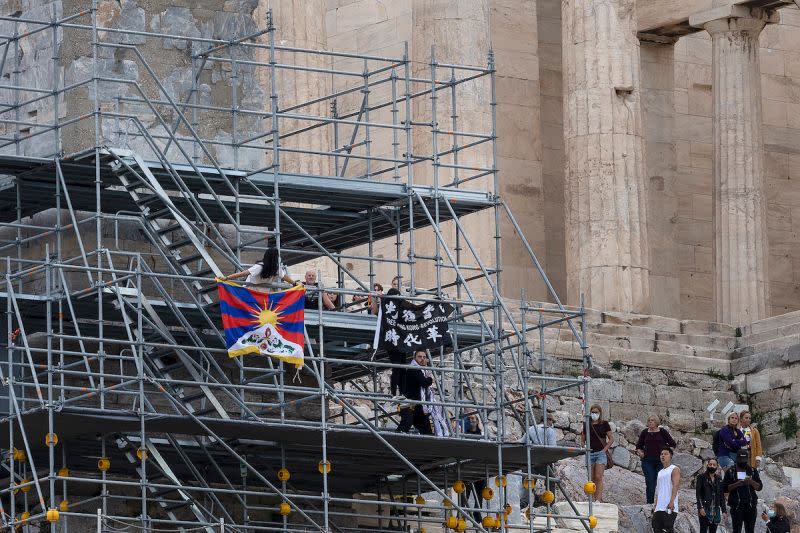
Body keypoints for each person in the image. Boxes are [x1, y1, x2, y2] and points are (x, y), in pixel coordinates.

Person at [636, 414, 677, 504]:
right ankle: (650, 503)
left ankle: (661, 503)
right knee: (650, 482)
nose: (650, 422)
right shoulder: (645, 432)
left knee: (661, 482)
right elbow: (638, 446)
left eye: (652, 420)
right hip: (647, 461)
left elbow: (672, 444)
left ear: (656, 422)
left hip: (660, 462)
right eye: (649, 420)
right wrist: (641, 453)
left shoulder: (662, 432)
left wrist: (667, 454)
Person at [723, 449, 762, 533]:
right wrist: (737, 484)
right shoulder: (730, 471)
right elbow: (724, 488)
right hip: (736, 507)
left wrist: (751, 482)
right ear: (737, 459)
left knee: (750, 530)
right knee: (736, 530)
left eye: (744, 460)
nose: (743, 462)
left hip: (751, 507)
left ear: (747, 459)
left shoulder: (753, 470)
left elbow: (759, 487)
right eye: (741, 460)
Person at [580, 404, 613, 503]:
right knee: (591, 477)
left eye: (596, 412)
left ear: (600, 413)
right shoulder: (586, 424)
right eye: (592, 412)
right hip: (590, 453)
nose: (594, 414)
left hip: (600, 453)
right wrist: (584, 446)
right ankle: (593, 498)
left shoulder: (604, 424)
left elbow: (611, 439)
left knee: (598, 476)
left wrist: (604, 449)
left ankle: (598, 499)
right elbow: (582, 439)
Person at [396, 350, 433, 435]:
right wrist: (430, 379)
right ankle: (394, 441)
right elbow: (424, 383)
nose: (422, 359)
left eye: (424, 357)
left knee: (426, 428)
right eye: (419, 357)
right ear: (414, 358)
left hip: (418, 405)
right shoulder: (414, 369)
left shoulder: (421, 370)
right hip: (409, 403)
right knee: (406, 424)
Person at [220, 248, 295, 288]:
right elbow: (284, 277)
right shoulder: (276, 268)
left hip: (251, 291)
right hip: (262, 293)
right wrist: (295, 283)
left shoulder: (259, 266)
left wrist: (227, 278)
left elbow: (243, 273)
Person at [462, 414, 485, 522]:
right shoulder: (464, 433)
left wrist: (481, 428)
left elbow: (485, 439)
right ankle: (462, 513)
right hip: (468, 466)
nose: (472, 421)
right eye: (470, 418)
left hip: (480, 466)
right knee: (466, 491)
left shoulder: (481, 433)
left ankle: (477, 513)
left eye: (474, 418)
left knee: (480, 492)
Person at [652, 447, 681, 533]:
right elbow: (658, 490)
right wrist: (655, 505)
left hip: (669, 505)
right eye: (661, 454)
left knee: (668, 528)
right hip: (659, 506)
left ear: (670, 456)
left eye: (665, 454)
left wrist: (672, 501)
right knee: (656, 528)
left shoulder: (674, 469)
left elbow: (676, 486)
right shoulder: (660, 472)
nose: (663, 456)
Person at [696, 458, 726, 533]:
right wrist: (701, 507)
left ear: (717, 466)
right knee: (703, 530)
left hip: (715, 510)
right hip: (705, 509)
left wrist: (724, 510)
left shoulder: (719, 478)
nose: (712, 466)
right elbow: (698, 493)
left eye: (714, 465)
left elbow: (721, 495)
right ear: (707, 465)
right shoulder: (701, 477)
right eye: (710, 464)